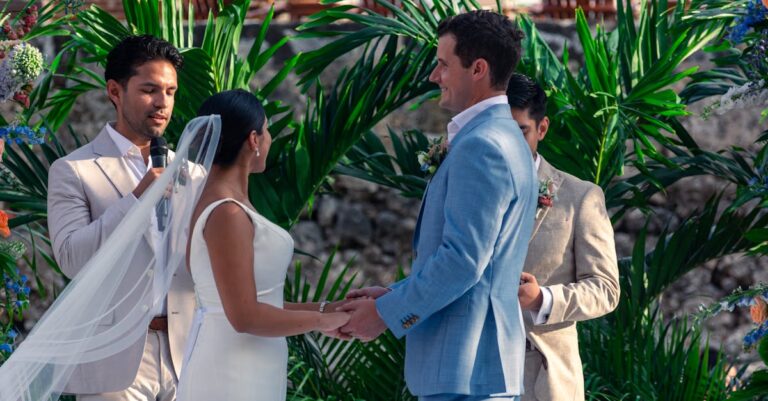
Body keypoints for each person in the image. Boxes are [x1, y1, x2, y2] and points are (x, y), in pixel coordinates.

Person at [339, 10, 537, 401]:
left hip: (465, 371)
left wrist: (385, 314)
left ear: (478, 69)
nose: (434, 76)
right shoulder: (505, 138)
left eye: (443, 64)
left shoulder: (483, 145)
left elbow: (463, 261)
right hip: (475, 370)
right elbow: (480, 263)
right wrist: (393, 294)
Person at [176, 89, 350, 401]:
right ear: (253, 140)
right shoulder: (226, 212)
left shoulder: (230, 205)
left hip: (253, 364)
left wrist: (329, 308)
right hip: (231, 372)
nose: (269, 138)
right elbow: (245, 316)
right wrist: (322, 321)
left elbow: (261, 302)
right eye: (267, 130)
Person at [47, 35, 191, 401]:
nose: (162, 103)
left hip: (187, 356)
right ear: (114, 91)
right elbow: (72, 259)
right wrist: (138, 197)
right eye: (149, 90)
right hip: (114, 361)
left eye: (170, 92)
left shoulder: (192, 172)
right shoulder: (74, 170)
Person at [507, 73, 620, 401]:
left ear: (542, 129)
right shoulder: (466, 190)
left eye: (520, 132)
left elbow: (605, 289)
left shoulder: (580, 197)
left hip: (543, 378)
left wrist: (542, 300)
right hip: (472, 372)